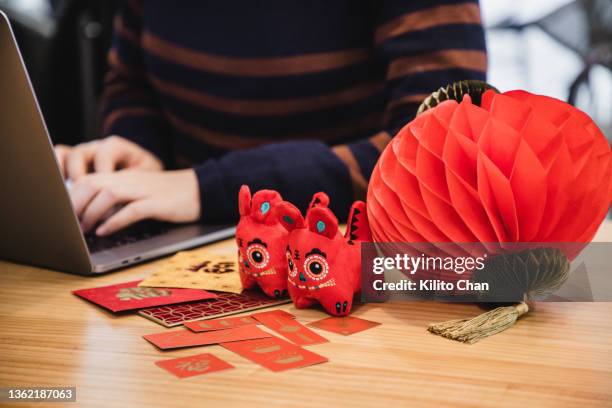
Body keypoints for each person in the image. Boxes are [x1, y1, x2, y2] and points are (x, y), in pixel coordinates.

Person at [55, 0, 487, 236]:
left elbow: (435, 151)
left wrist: (209, 188)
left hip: (346, 252)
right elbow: (131, 80)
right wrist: (138, 145)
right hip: (181, 239)